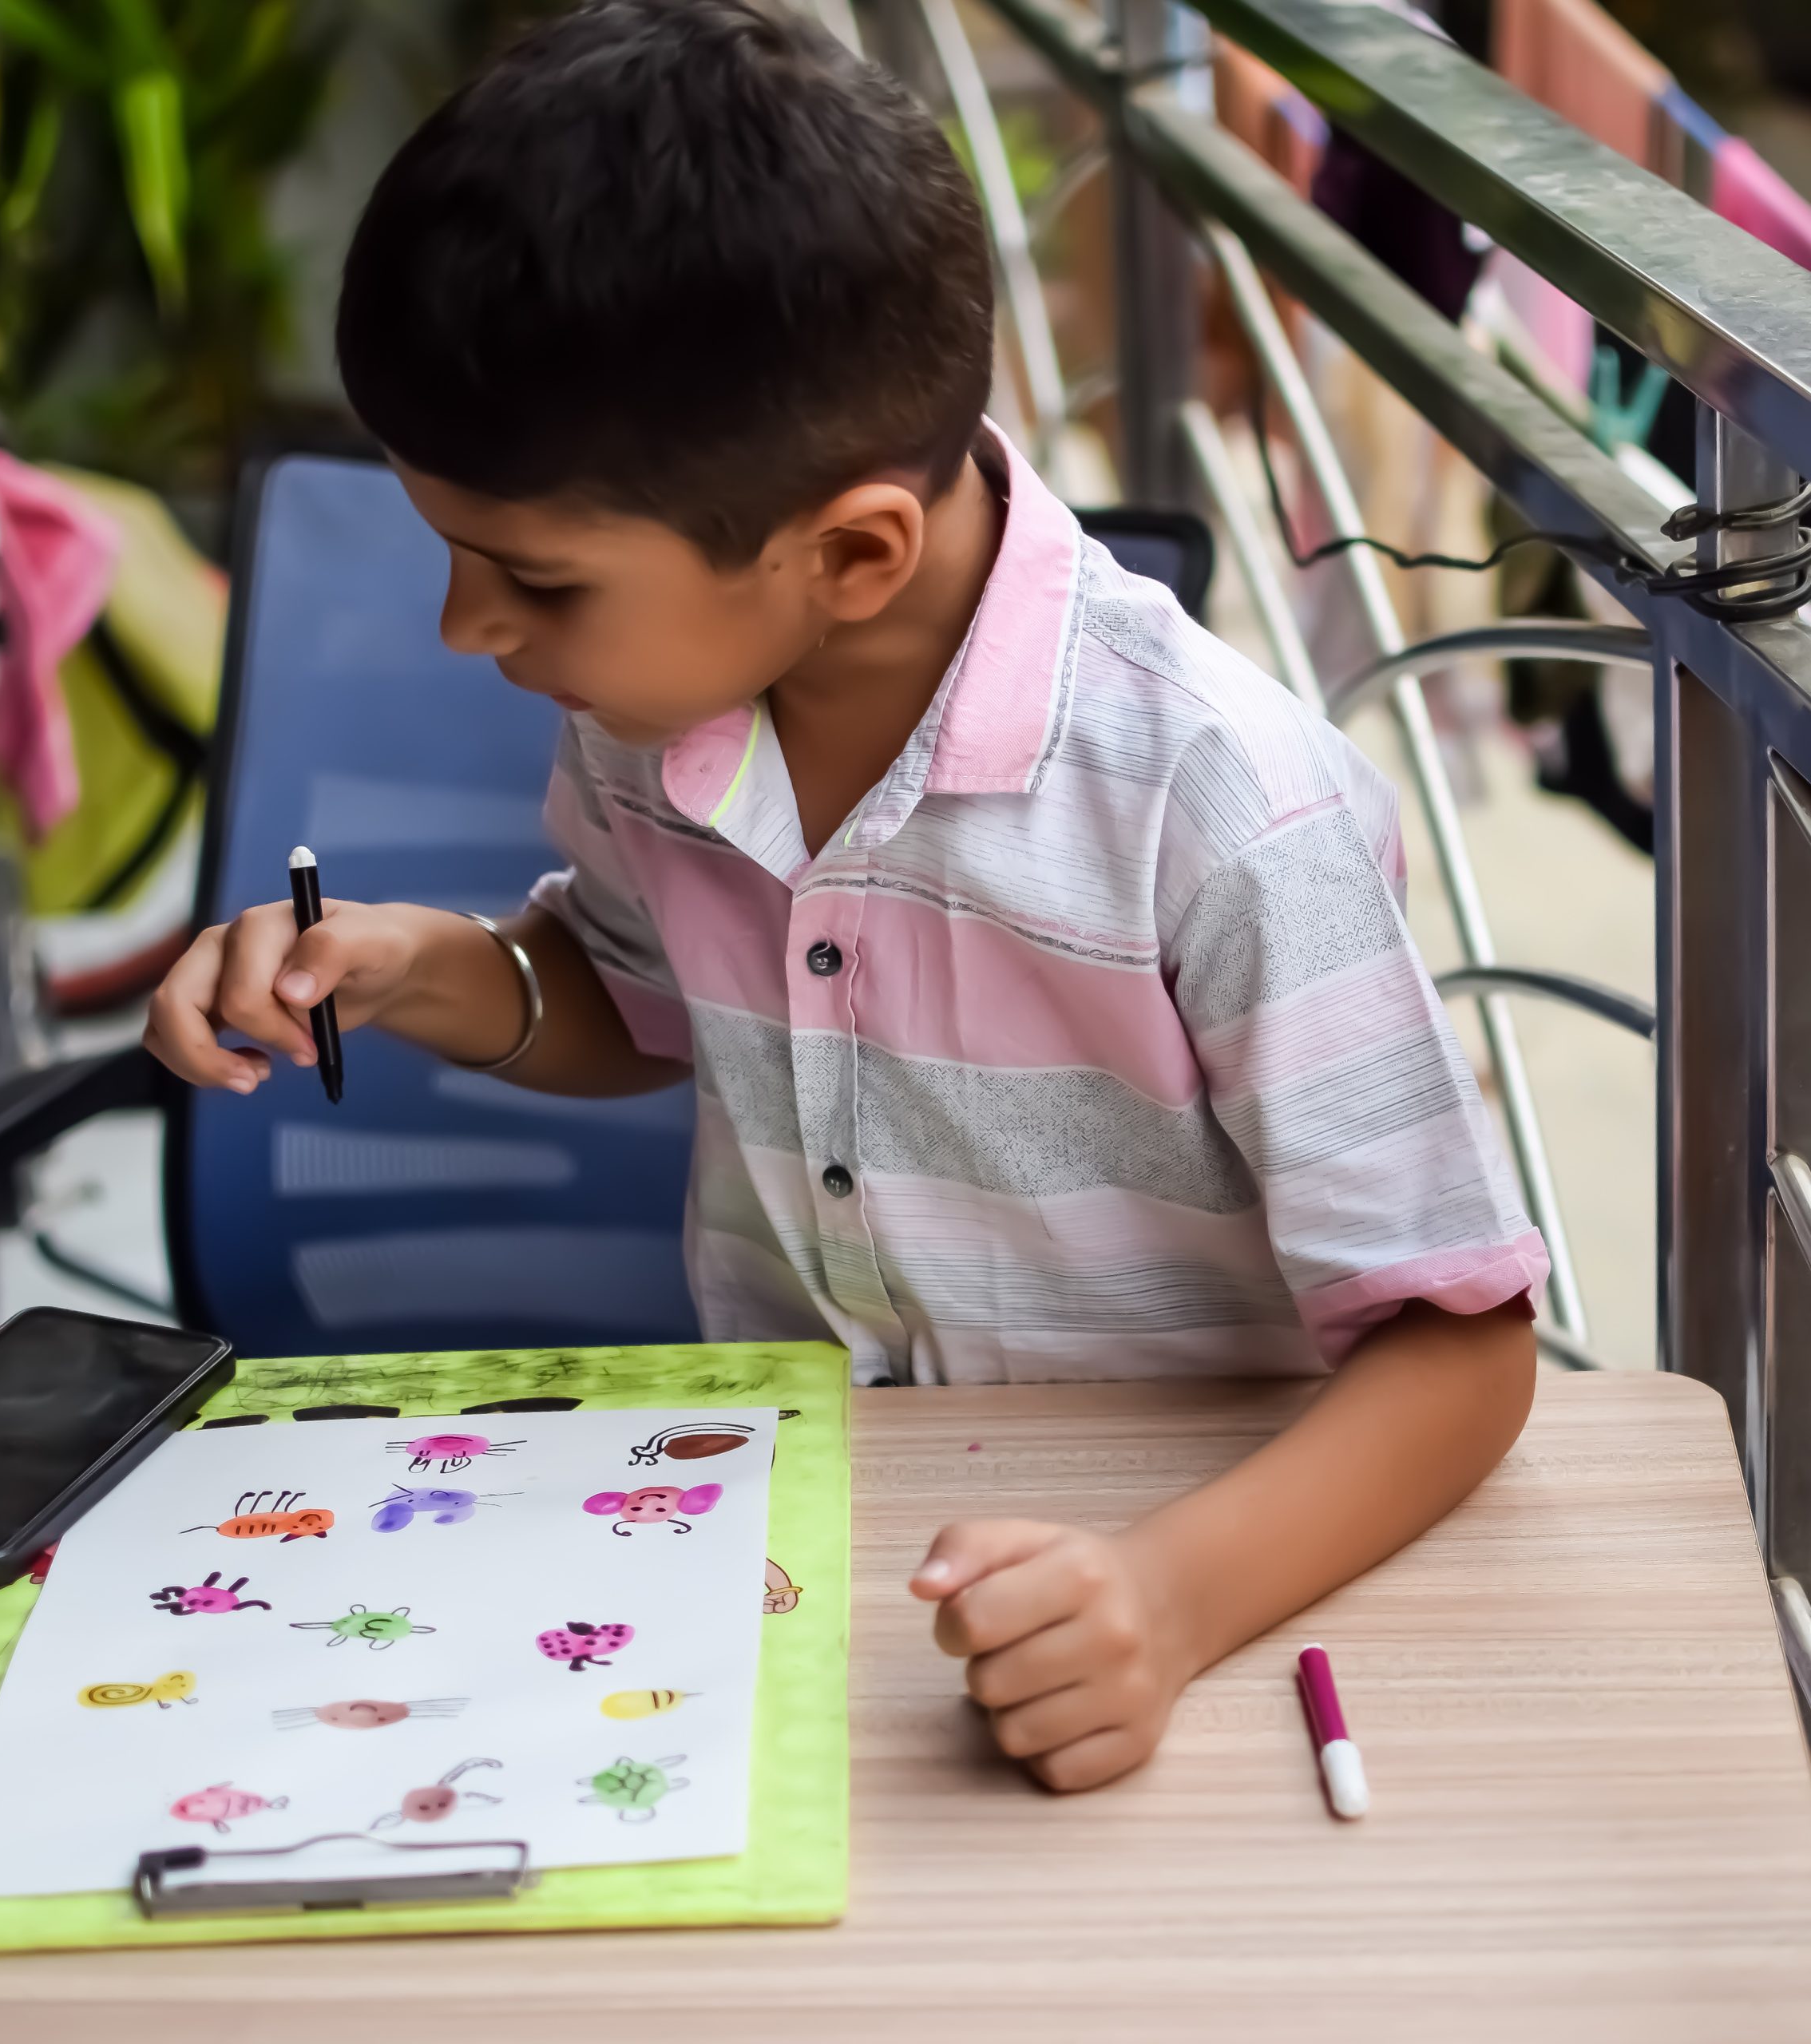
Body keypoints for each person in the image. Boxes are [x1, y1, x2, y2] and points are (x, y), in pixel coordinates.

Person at [144, 0, 1544, 1793]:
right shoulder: (655, 731)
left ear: (855, 550)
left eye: (530, 580)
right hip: (804, 1551)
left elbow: (1458, 1347)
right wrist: (422, 962)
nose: (462, 631)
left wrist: (1170, 1596)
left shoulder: (1216, 801)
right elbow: (643, 1001)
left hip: (1194, 1576)